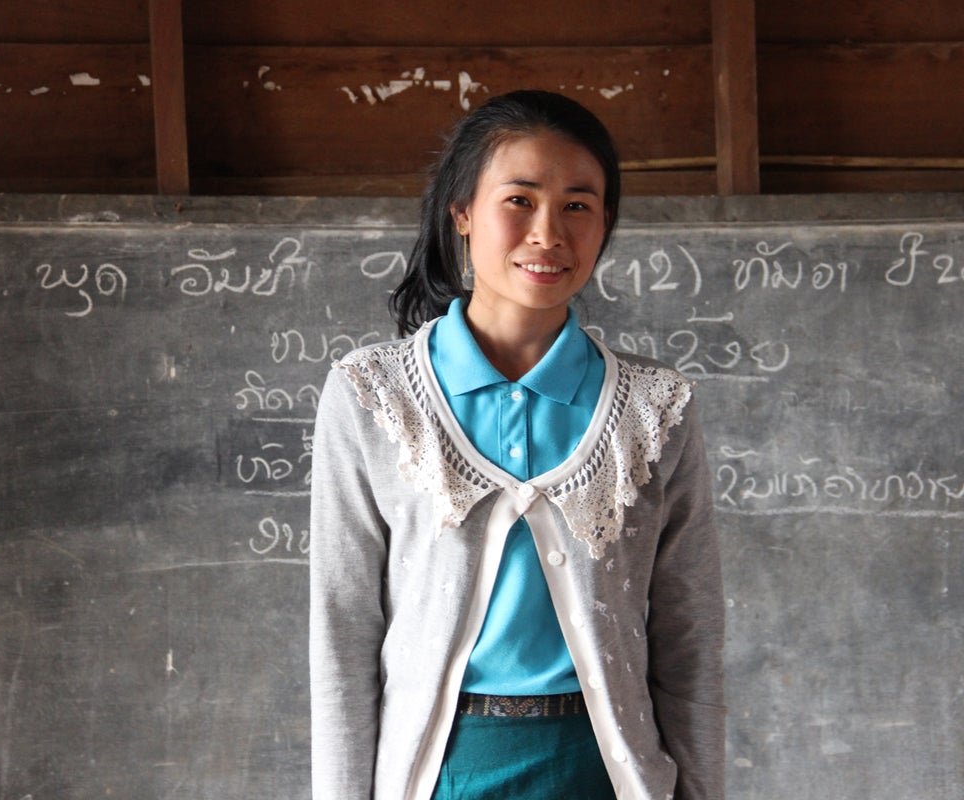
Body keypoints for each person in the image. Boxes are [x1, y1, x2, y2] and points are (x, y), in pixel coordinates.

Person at [309, 89, 724, 800]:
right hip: (441, 773)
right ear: (463, 211)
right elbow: (342, 632)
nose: (548, 233)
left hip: (604, 771)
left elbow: (690, 642)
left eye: (577, 205)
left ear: (605, 224)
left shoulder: (656, 409)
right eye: (519, 200)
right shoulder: (372, 395)